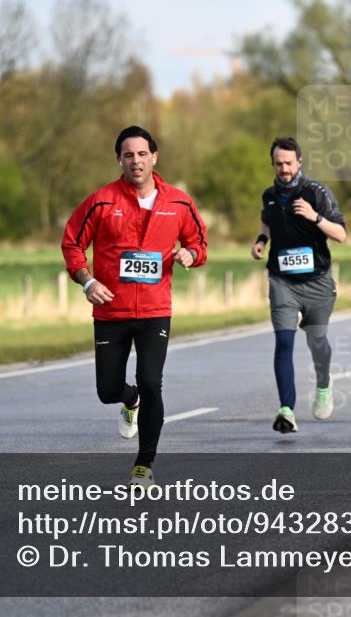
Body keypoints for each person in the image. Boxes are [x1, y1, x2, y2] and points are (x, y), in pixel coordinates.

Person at [61, 125, 207, 487]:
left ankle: (144, 464)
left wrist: (190, 254)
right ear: (119, 160)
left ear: (154, 157)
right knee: (108, 390)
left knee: (151, 382)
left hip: (156, 310)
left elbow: (199, 243)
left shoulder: (179, 202)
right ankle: (130, 401)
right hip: (111, 310)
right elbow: (72, 244)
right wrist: (87, 280)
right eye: (129, 155)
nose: (136, 161)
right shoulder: (101, 201)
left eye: (142, 154)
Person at [251, 137, 347, 433]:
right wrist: (261, 241)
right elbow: (267, 221)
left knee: (317, 341)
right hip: (282, 281)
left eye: (289, 163)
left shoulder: (316, 193)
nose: (284, 169)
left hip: (317, 282)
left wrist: (315, 216)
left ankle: (323, 383)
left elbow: (341, 234)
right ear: (273, 164)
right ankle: (286, 410)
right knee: (284, 342)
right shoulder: (269, 195)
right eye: (279, 163)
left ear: (299, 162)